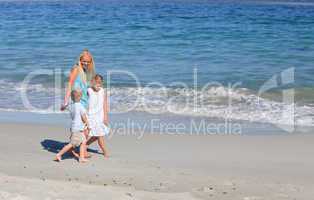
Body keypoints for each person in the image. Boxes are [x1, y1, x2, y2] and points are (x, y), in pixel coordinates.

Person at [55, 90, 90, 163]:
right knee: (71, 144)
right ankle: (59, 154)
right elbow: (83, 116)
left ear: (72, 97)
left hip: (74, 127)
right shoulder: (80, 106)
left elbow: (62, 109)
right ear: (80, 97)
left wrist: (64, 106)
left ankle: (81, 158)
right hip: (78, 128)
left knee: (83, 142)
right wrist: (87, 124)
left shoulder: (71, 105)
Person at [86, 74, 110, 158]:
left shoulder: (103, 91)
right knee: (96, 134)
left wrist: (105, 117)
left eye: (100, 82)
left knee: (98, 134)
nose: (98, 84)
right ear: (92, 81)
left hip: (100, 116)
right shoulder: (88, 90)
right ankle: (105, 151)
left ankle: (85, 145)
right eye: (96, 82)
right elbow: (85, 103)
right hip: (90, 116)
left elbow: (105, 104)